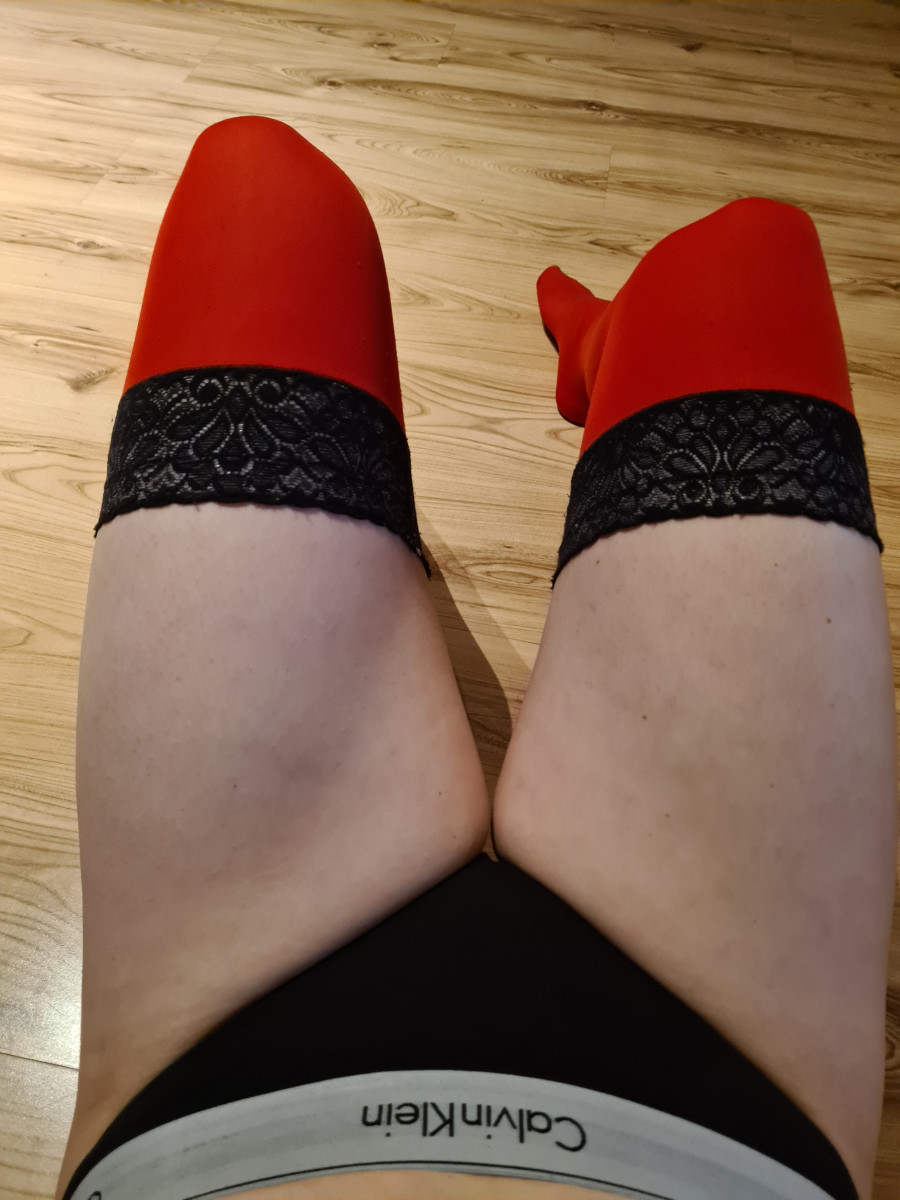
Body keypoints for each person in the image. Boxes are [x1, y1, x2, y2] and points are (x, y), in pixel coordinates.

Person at [55, 115, 895, 1200]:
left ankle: (555, 408)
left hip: (207, 1046)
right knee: (751, 263)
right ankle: (603, 353)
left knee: (259, 187)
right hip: (739, 1088)